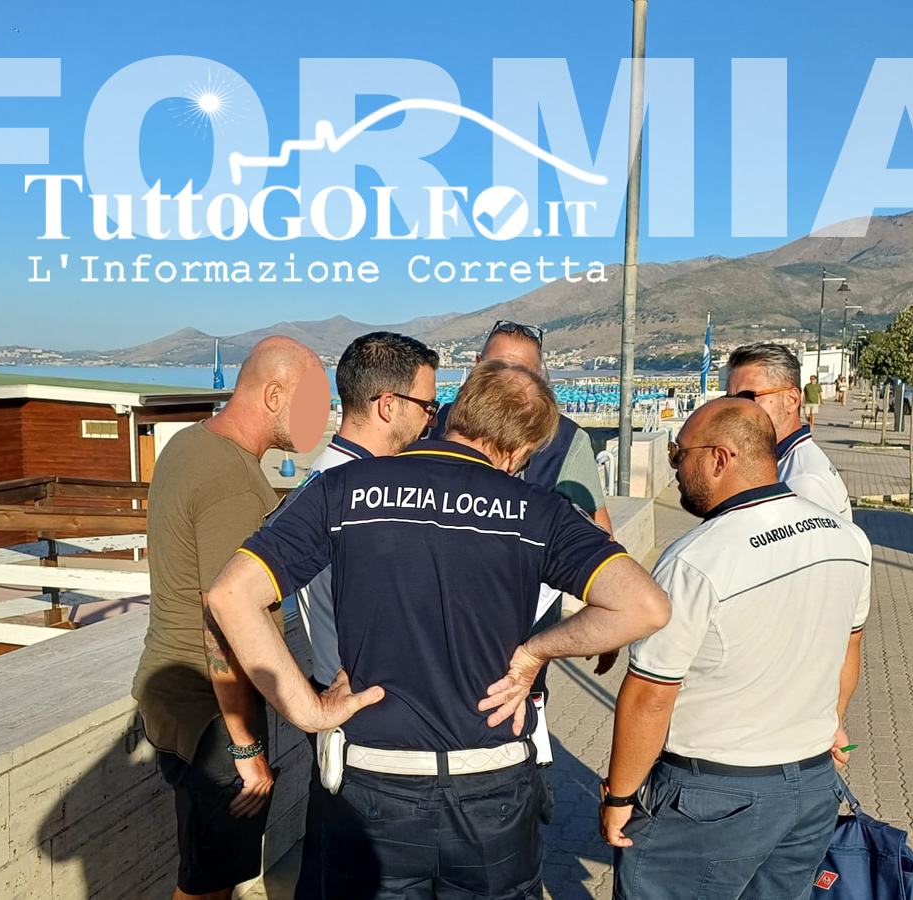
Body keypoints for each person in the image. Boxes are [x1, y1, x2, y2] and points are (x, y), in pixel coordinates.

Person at [205, 360, 671, 900]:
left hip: (372, 786)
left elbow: (230, 595)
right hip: (492, 791)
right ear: (519, 451)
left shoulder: (343, 489)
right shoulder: (537, 512)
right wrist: (535, 653)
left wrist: (309, 712)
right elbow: (645, 606)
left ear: (456, 412)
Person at [601, 397, 873, 900]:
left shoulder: (695, 560)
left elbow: (651, 697)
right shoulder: (848, 538)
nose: (675, 467)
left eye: (679, 454)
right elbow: (847, 652)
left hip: (711, 796)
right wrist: (828, 728)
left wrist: (620, 795)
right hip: (812, 786)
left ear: (719, 459)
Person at [131, 335, 326, 900]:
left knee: (207, 876)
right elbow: (223, 620)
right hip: (214, 718)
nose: (319, 418)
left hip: (175, 700)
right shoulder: (234, 481)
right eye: (312, 402)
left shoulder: (190, 442)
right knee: (206, 888)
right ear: (274, 395)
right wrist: (246, 749)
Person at [285, 332, 441, 900]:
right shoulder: (360, 499)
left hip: (340, 703)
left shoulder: (325, 484)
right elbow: (231, 600)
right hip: (365, 721)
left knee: (328, 868)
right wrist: (308, 708)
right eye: (428, 406)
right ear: (388, 405)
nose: (432, 420)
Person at [431, 321, 619, 752]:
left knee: (514, 742)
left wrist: (606, 620)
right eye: (498, 368)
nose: (510, 383)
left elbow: (599, 532)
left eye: (525, 374)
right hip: (430, 629)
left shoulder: (567, 440)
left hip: (519, 640)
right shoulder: (430, 423)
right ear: (475, 367)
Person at [727, 343, 853, 520]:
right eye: (729, 400)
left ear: (792, 400)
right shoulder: (786, 461)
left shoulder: (801, 482)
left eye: (747, 397)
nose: (735, 410)